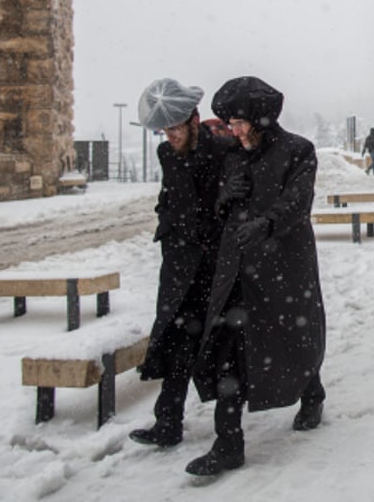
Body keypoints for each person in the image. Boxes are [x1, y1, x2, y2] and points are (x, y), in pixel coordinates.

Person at [185, 76, 327, 477]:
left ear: (261, 118)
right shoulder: (233, 156)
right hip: (238, 270)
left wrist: (267, 224)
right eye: (230, 122)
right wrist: (225, 197)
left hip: (285, 264)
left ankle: (311, 391)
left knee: (294, 335)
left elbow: (298, 201)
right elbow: (214, 208)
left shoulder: (298, 151)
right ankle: (228, 442)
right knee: (230, 346)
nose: (234, 129)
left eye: (240, 121)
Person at [128, 79, 236, 449]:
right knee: (176, 345)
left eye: (175, 128)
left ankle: (228, 435)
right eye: (164, 129)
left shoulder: (224, 151)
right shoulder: (166, 154)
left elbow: (234, 206)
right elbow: (168, 197)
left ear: (193, 120)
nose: (169, 136)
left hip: (214, 267)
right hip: (178, 267)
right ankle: (168, 422)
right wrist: (168, 223)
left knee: (221, 350)